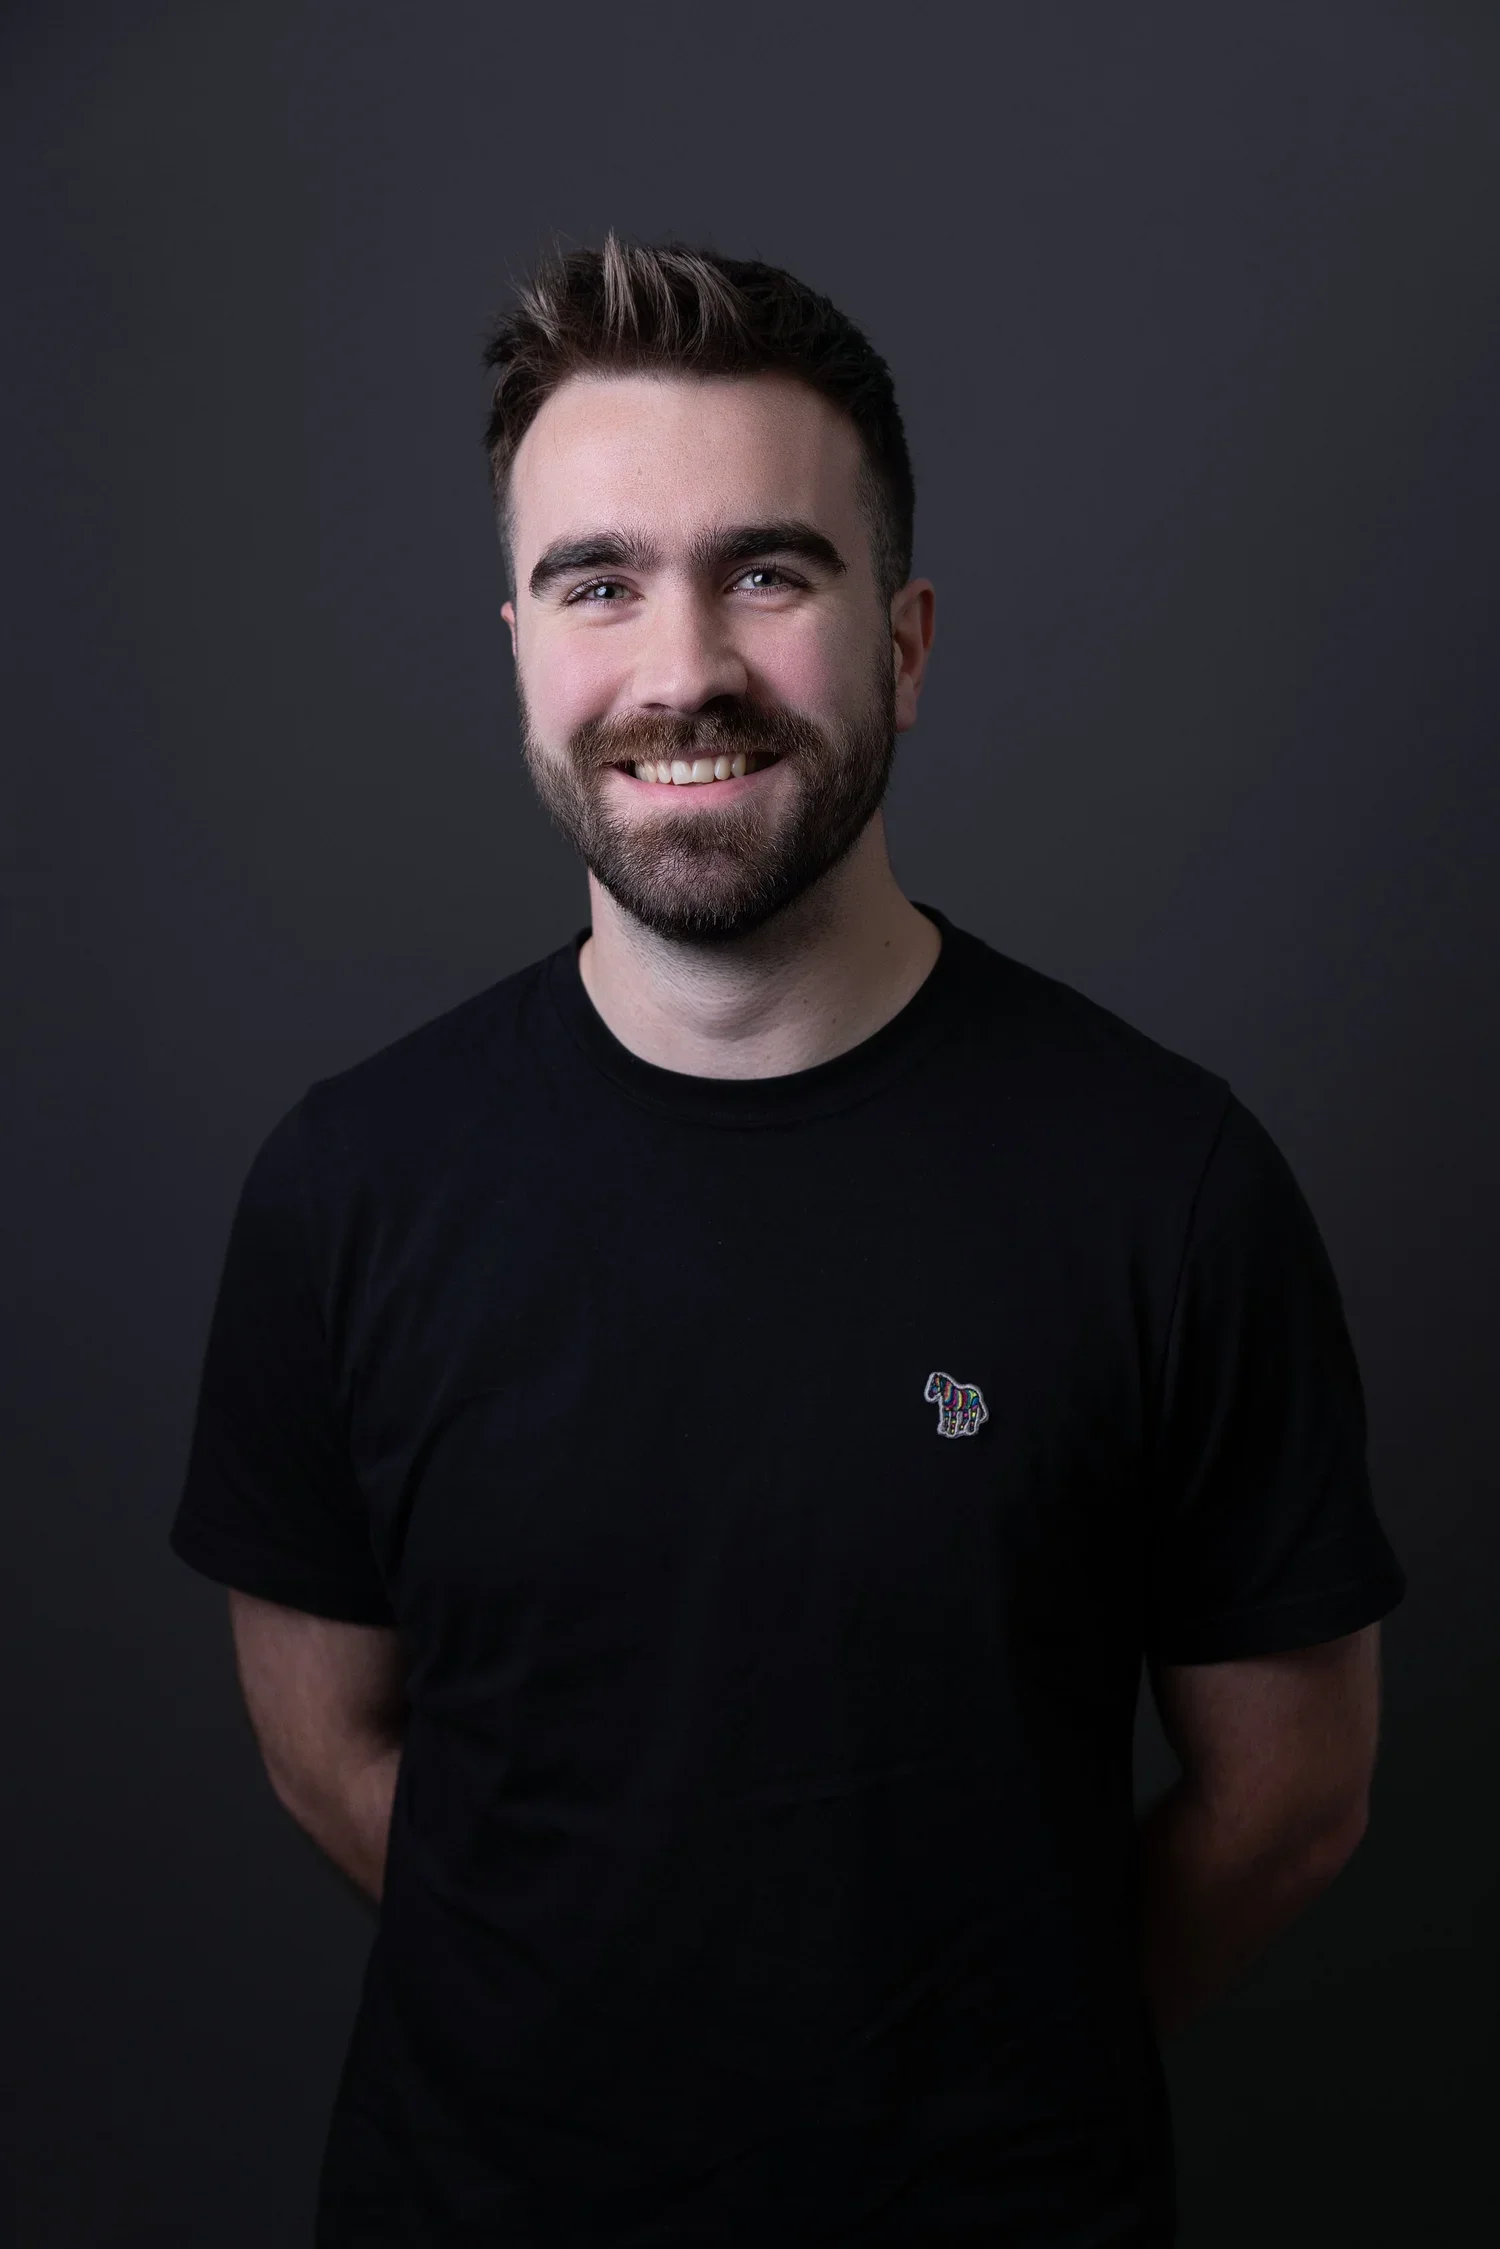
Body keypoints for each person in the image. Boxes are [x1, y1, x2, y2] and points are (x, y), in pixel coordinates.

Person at [168, 235, 1407, 2248]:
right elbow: (330, 1749)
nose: (682, 669)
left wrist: (972, 2073)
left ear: (904, 639)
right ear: (520, 645)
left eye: (769, 568)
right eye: (599, 581)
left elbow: (1293, 1801)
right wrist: (609, 2028)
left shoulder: (1165, 1183)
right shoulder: (347, 1188)